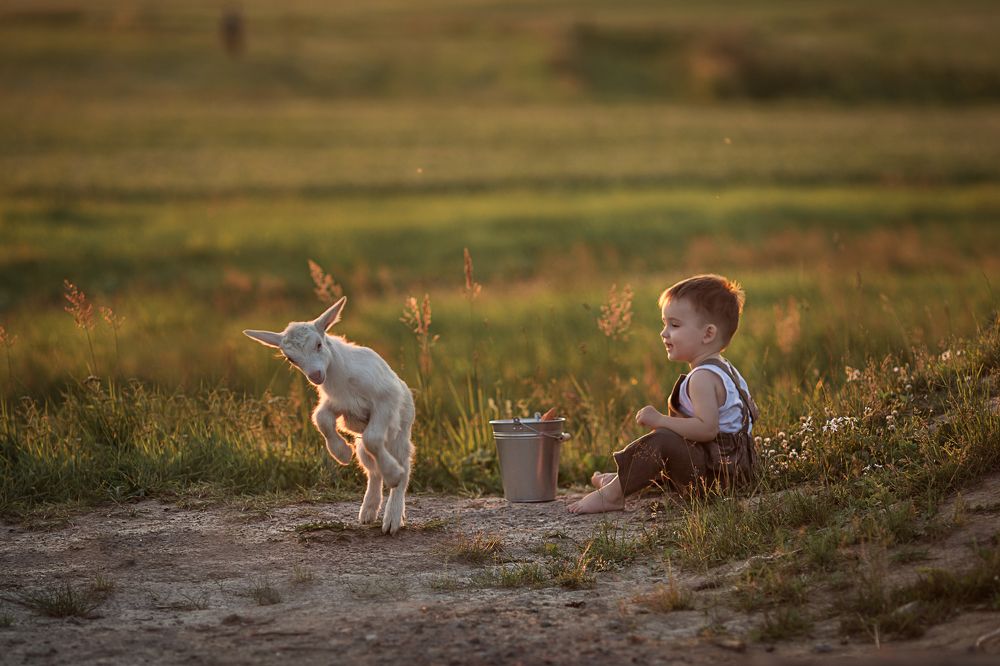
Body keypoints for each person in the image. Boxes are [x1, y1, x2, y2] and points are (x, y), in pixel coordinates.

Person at [568, 274, 759, 514]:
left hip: (719, 480)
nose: (664, 333)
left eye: (675, 325)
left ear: (708, 334)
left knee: (662, 440)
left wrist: (660, 421)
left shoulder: (702, 378)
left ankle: (613, 495)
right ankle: (622, 479)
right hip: (736, 471)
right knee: (672, 445)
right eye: (664, 323)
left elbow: (707, 429)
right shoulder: (725, 369)